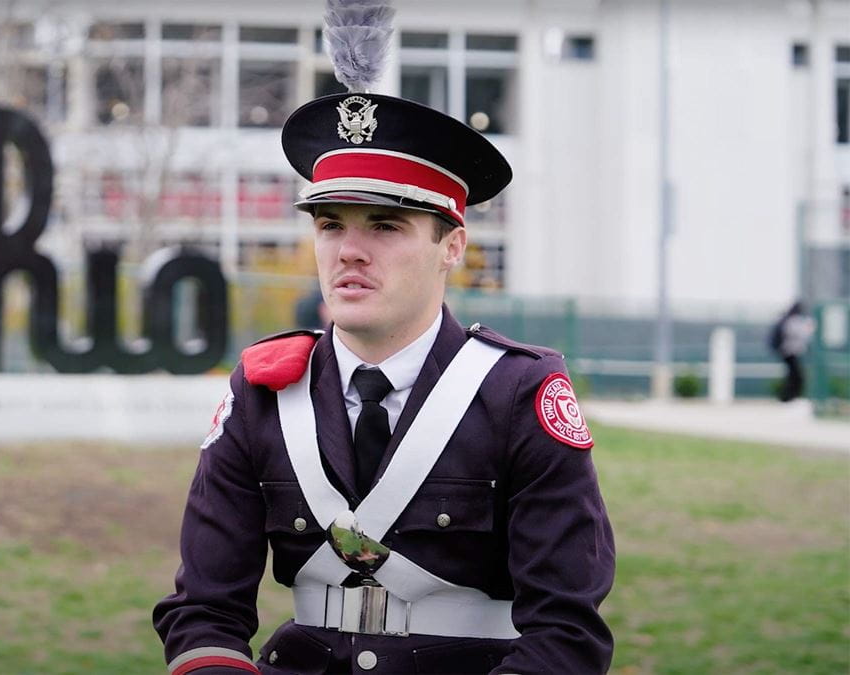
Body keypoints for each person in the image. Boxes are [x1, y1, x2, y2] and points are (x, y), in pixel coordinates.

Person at [152, 89, 615, 675]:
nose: (349, 251)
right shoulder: (263, 392)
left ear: (452, 246)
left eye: (385, 225)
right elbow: (205, 610)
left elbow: (567, 633)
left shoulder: (516, 392)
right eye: (329, 225)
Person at [770, 301, 816, 402]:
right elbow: (801, 334)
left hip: (789, 352)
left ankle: (789, 396)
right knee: (796, 376)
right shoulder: (793, 320)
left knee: (794, 375)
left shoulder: (789, 319)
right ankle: (788, 397)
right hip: (789, 352)